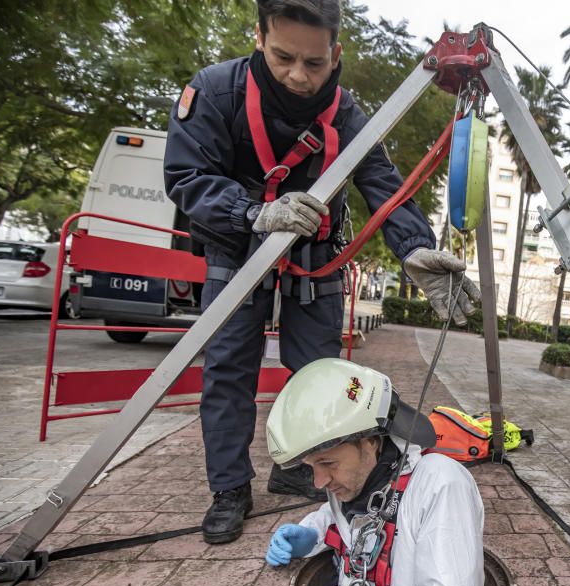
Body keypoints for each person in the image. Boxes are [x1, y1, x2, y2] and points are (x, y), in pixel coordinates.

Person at [164, 0, 479, 545]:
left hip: (314, 255)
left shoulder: (347, 114)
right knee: (229, 371)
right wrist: (250, 213)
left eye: (314, 63)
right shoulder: (216, 92)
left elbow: (384, 185)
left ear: (335, 53)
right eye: (284, 57)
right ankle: (230, 488)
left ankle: (297, 466)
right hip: (237, 249)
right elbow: (187, 177)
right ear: (259, 37)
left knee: (319, 375)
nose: (298, 75)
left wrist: (414, 249)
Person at [231, 358, 485, 586]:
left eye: (327, 463)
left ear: (371, 442)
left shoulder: (442, 486)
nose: (319, 481)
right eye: (310, 467)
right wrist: (312, 533)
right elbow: (344, 517)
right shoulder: (363, 477)